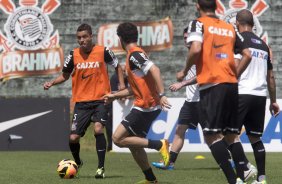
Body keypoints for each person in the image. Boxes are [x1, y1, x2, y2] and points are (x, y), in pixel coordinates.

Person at [177, 0, 252, 183]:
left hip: (212, 85)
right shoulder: (228, 27)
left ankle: (234, 181)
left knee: (211, 135)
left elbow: (195, 49)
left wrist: (184, 71)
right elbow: (247, 54)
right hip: (231, 85)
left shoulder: (198, 23)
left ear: (198, 6)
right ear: (216, 7)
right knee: (231, 135)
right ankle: (244, 174)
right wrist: (235, 74)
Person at [43, 23, 125, 179]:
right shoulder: (73, 55)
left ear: (91, 36)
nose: (81, 40)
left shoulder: (103, 51)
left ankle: (100, 168)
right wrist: (52, 83)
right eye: (79, 38)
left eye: (84, 37)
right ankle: (78, 162)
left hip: (101, 99)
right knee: (73, 138)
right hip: (81, 103)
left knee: (98, 129)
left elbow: (118, 67)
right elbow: (65, 76)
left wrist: (121, 86)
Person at [103, 22, 171, 184]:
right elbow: (135, 89)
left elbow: (155, 70)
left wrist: (161, 95)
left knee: (118, 139)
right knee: (134, 143)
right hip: (146, 105)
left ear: (120, 39)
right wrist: (114, 96)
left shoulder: (134, 55)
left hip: (145, 107)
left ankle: (159, 144)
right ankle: (151, 179)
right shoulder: (134, 55)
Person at [234, 9, 280, 184]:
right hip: (260, 96)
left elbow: (236, 66)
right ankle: (262, 178)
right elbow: (271, 77)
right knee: (255, 138)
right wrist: (273, 101)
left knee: (227, 135)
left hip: (242, 93)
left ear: (238, 22)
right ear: (253, 24)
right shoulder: (263, 44)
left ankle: (242, 173)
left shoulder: (239, 40)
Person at [152, 27, 201, 170]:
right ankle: (170, 163)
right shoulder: (191, 54)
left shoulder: (200, 53)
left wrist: (182, 83)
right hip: (190, 101)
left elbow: (202, 75)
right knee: (180, 130)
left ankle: (234, 160)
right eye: (184, 37)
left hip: (203, 101)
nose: (186, 40)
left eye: (188, 37)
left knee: (214, 134)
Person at [105, 63, 129, 152]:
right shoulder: (115, 78)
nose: (124, 73)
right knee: (109, 125)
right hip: (111, 105)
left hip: (121, 106)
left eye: (125, 71)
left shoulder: (128, 79)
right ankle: (110, 146)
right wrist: (124, 95)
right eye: (122, 71)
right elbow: (115, 93)